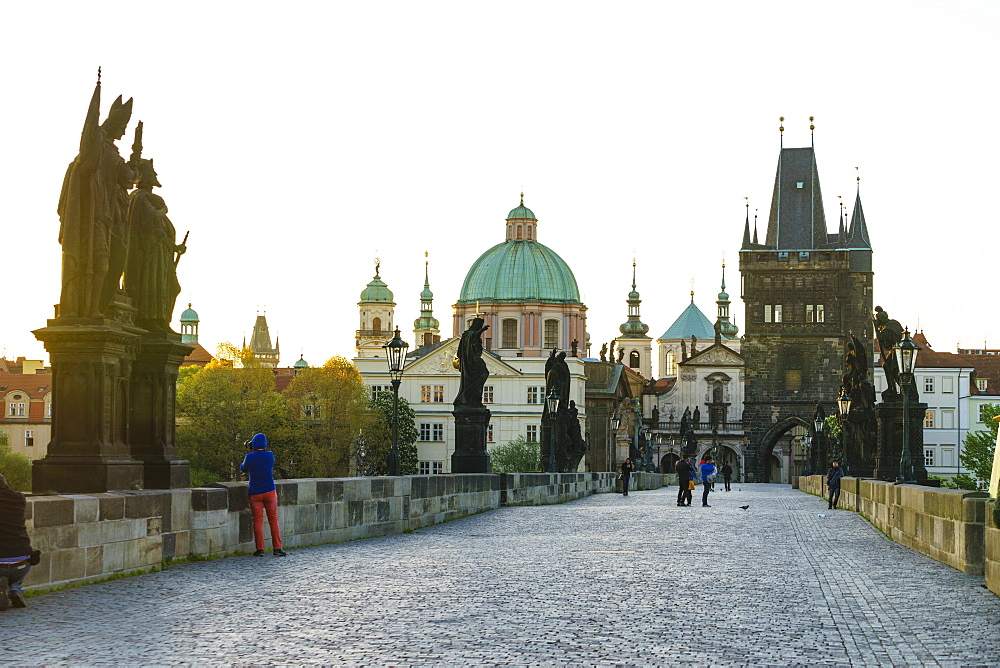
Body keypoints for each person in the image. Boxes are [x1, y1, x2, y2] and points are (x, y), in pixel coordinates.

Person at [240, 433, 287, 557]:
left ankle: (260, 549)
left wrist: (249, 453)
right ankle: (277, 548)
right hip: (270, 491)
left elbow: (243, 468)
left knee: (258, 521)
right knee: (273, 520)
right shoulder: (270, 456)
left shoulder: (250, 456)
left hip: (255, 493)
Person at [0, 474, 39, 610]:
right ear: (5, 484)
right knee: (18, 571)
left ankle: (3, 589)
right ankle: (15, 589)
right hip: (22, 562)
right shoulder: (19, 499)